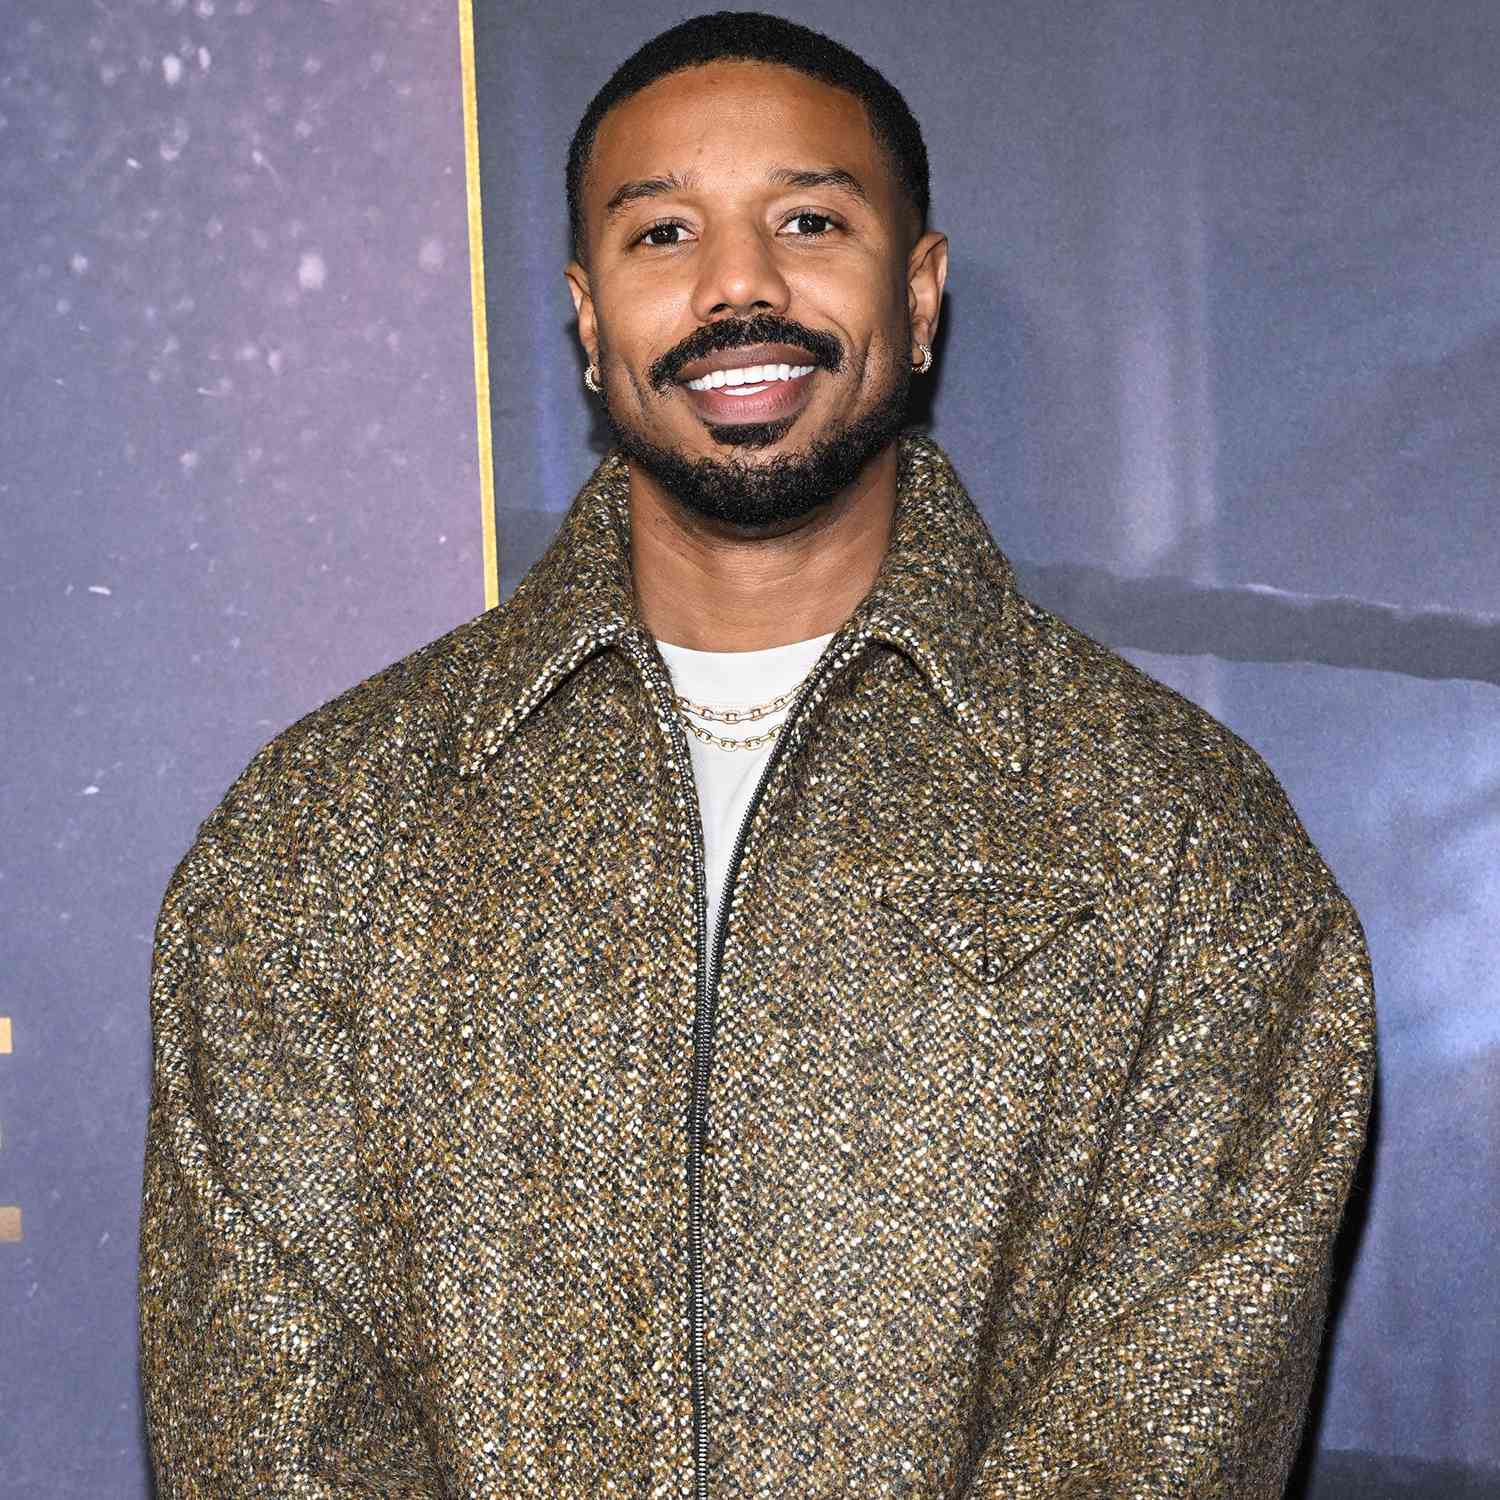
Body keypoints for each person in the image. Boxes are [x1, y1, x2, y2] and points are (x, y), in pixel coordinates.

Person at [138, 11, 1376, 1498]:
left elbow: (1172, 1426)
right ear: (589, 323)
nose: (740, 285)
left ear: (919, 296)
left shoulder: (1184, 844)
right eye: (665, 233)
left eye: (808, 220)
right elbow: (267, 1424)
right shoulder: (321, 834)